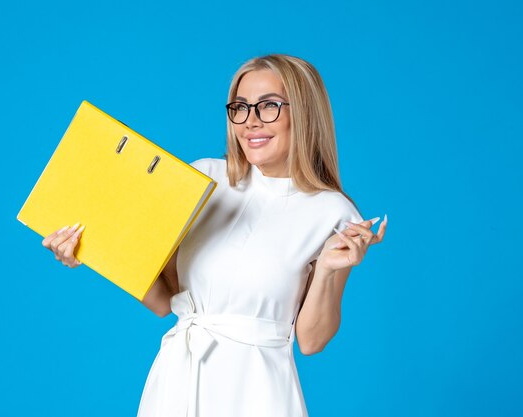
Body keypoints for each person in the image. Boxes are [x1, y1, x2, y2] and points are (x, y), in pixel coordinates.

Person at [42, 54, 387, 417]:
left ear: (303, 112)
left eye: (268, 105)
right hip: (177, 380)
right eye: (239, 107)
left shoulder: (332, 212)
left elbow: (312, 341)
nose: (250, 122)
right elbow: (165, 301)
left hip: (258, 392)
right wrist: (92, 248)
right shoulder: (203, 178)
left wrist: (330, 269)